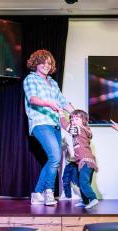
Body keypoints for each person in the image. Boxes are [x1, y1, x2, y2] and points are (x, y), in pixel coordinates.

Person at [23, 49, 75, 206]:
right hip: (40, 122)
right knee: (55, 157)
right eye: (43, 62)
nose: (46, 65)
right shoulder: (31, 79)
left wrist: (77, 114)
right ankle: (49, 193)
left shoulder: (52, 82)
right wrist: (49, 104)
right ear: (36, 63)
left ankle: (37, 193)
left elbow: (63, 101)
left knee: (53, 159)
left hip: (55, 124)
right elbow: (32, 99)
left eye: (49, 63)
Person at [63, 110, 99, 209]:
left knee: (83, 183)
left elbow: (66, 127)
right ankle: (86, 201)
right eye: (71, 119)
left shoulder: (78, 128)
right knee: (81, 182)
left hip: (85, 161)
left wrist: (61, 115)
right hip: (85, 162)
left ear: (83, 120)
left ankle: (93, 198)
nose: (73, 121)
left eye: (76, 119)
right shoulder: (82, 130)